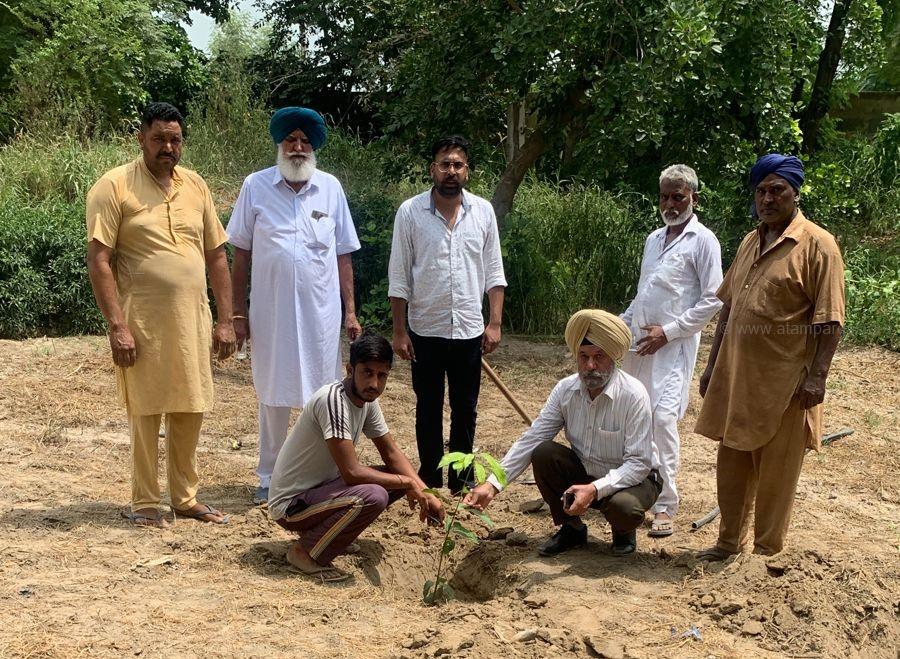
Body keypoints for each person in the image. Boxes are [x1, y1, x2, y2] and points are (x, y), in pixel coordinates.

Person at [86, 102, 235, 528]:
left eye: (175, 140)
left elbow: (216, 256)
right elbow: (99, 260)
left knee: (191, 405)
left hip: (193, 320)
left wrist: (226, 320)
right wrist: (117, 326)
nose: (167, 147)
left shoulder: (196, 186)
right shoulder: (114, 186)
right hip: (141, 322)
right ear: (141, 139)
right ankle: (146, 501)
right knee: (146, 409)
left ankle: (185, 498)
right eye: (158, 139)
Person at [694, 153, 845, 560]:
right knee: (732, 466)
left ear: (795, 193)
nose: (767, 199)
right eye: (761, 191)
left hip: (786, 386)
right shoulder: (750, 240)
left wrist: (817, 377)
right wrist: (711, 366)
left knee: (777, 475)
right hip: (737, 379)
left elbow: (831, 320)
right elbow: (729, 307)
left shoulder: (818, 245)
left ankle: (766, 553)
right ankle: (728, 543)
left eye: (777, 190)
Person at [228, 107, 363, 504]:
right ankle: (269, 478)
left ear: (313, 147)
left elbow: (343, 255)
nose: (298, 147)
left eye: (305, 141)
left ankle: (320, 475)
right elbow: (240, 254)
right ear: (280, 144)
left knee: (323, 395)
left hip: (321, 315)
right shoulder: (255, 186)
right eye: (291, 140)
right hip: (270, 314)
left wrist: (350, 311)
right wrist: (237, 314)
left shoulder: (330, 188)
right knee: (272, 392)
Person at [465, 310, 662, 556]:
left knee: (624, 507)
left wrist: (595, 489)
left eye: (599, 357)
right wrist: (493, 484)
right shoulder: (565, 390)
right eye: (584, 356)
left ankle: (623, 531)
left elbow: (638, 464)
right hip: (585, 473)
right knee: (543, 452)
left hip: (635, 480)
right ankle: (572, 529)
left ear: (613, 357)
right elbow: (533, 438)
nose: (590, 366)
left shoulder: (633, 395)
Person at [267, 333, 445, 582]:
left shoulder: (367, 400)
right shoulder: (333, 400)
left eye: (382, 375)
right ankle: (303, 552)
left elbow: (391, 453)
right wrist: (408, 483)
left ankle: (332, 537)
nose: (374, 383)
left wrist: (426, 492)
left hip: (320, 492)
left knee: (396, 477)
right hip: (291, 505)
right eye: (367, 373)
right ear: (350, 370)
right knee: (375, 494)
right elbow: (351, 472)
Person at [388, 135, 507, 493]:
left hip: (469, 330)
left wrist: (494, 323)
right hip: (424, 329)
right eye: (445, 164)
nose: (451, 171)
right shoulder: (410, 212)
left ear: (467, 171)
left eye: (458, 165)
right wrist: (399, 331)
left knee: (465, 408)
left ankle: (461, 480)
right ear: (432, 169)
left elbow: (494, 272)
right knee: (428, 407)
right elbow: (399, 275)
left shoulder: (482, 212)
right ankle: (429, 476)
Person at [620, 164, 723, 537]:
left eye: (677, 197)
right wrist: (619, 326)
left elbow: (714, 299)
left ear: (694, 198)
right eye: (664, 196)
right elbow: (643, 294)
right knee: (634, 416)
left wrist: (669, 332)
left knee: (663, 420)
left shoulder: (703, 241)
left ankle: (666, 504)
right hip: (638, 344)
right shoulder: (653, 239)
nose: (670, 204)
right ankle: (633, 489)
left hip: (673, 347)